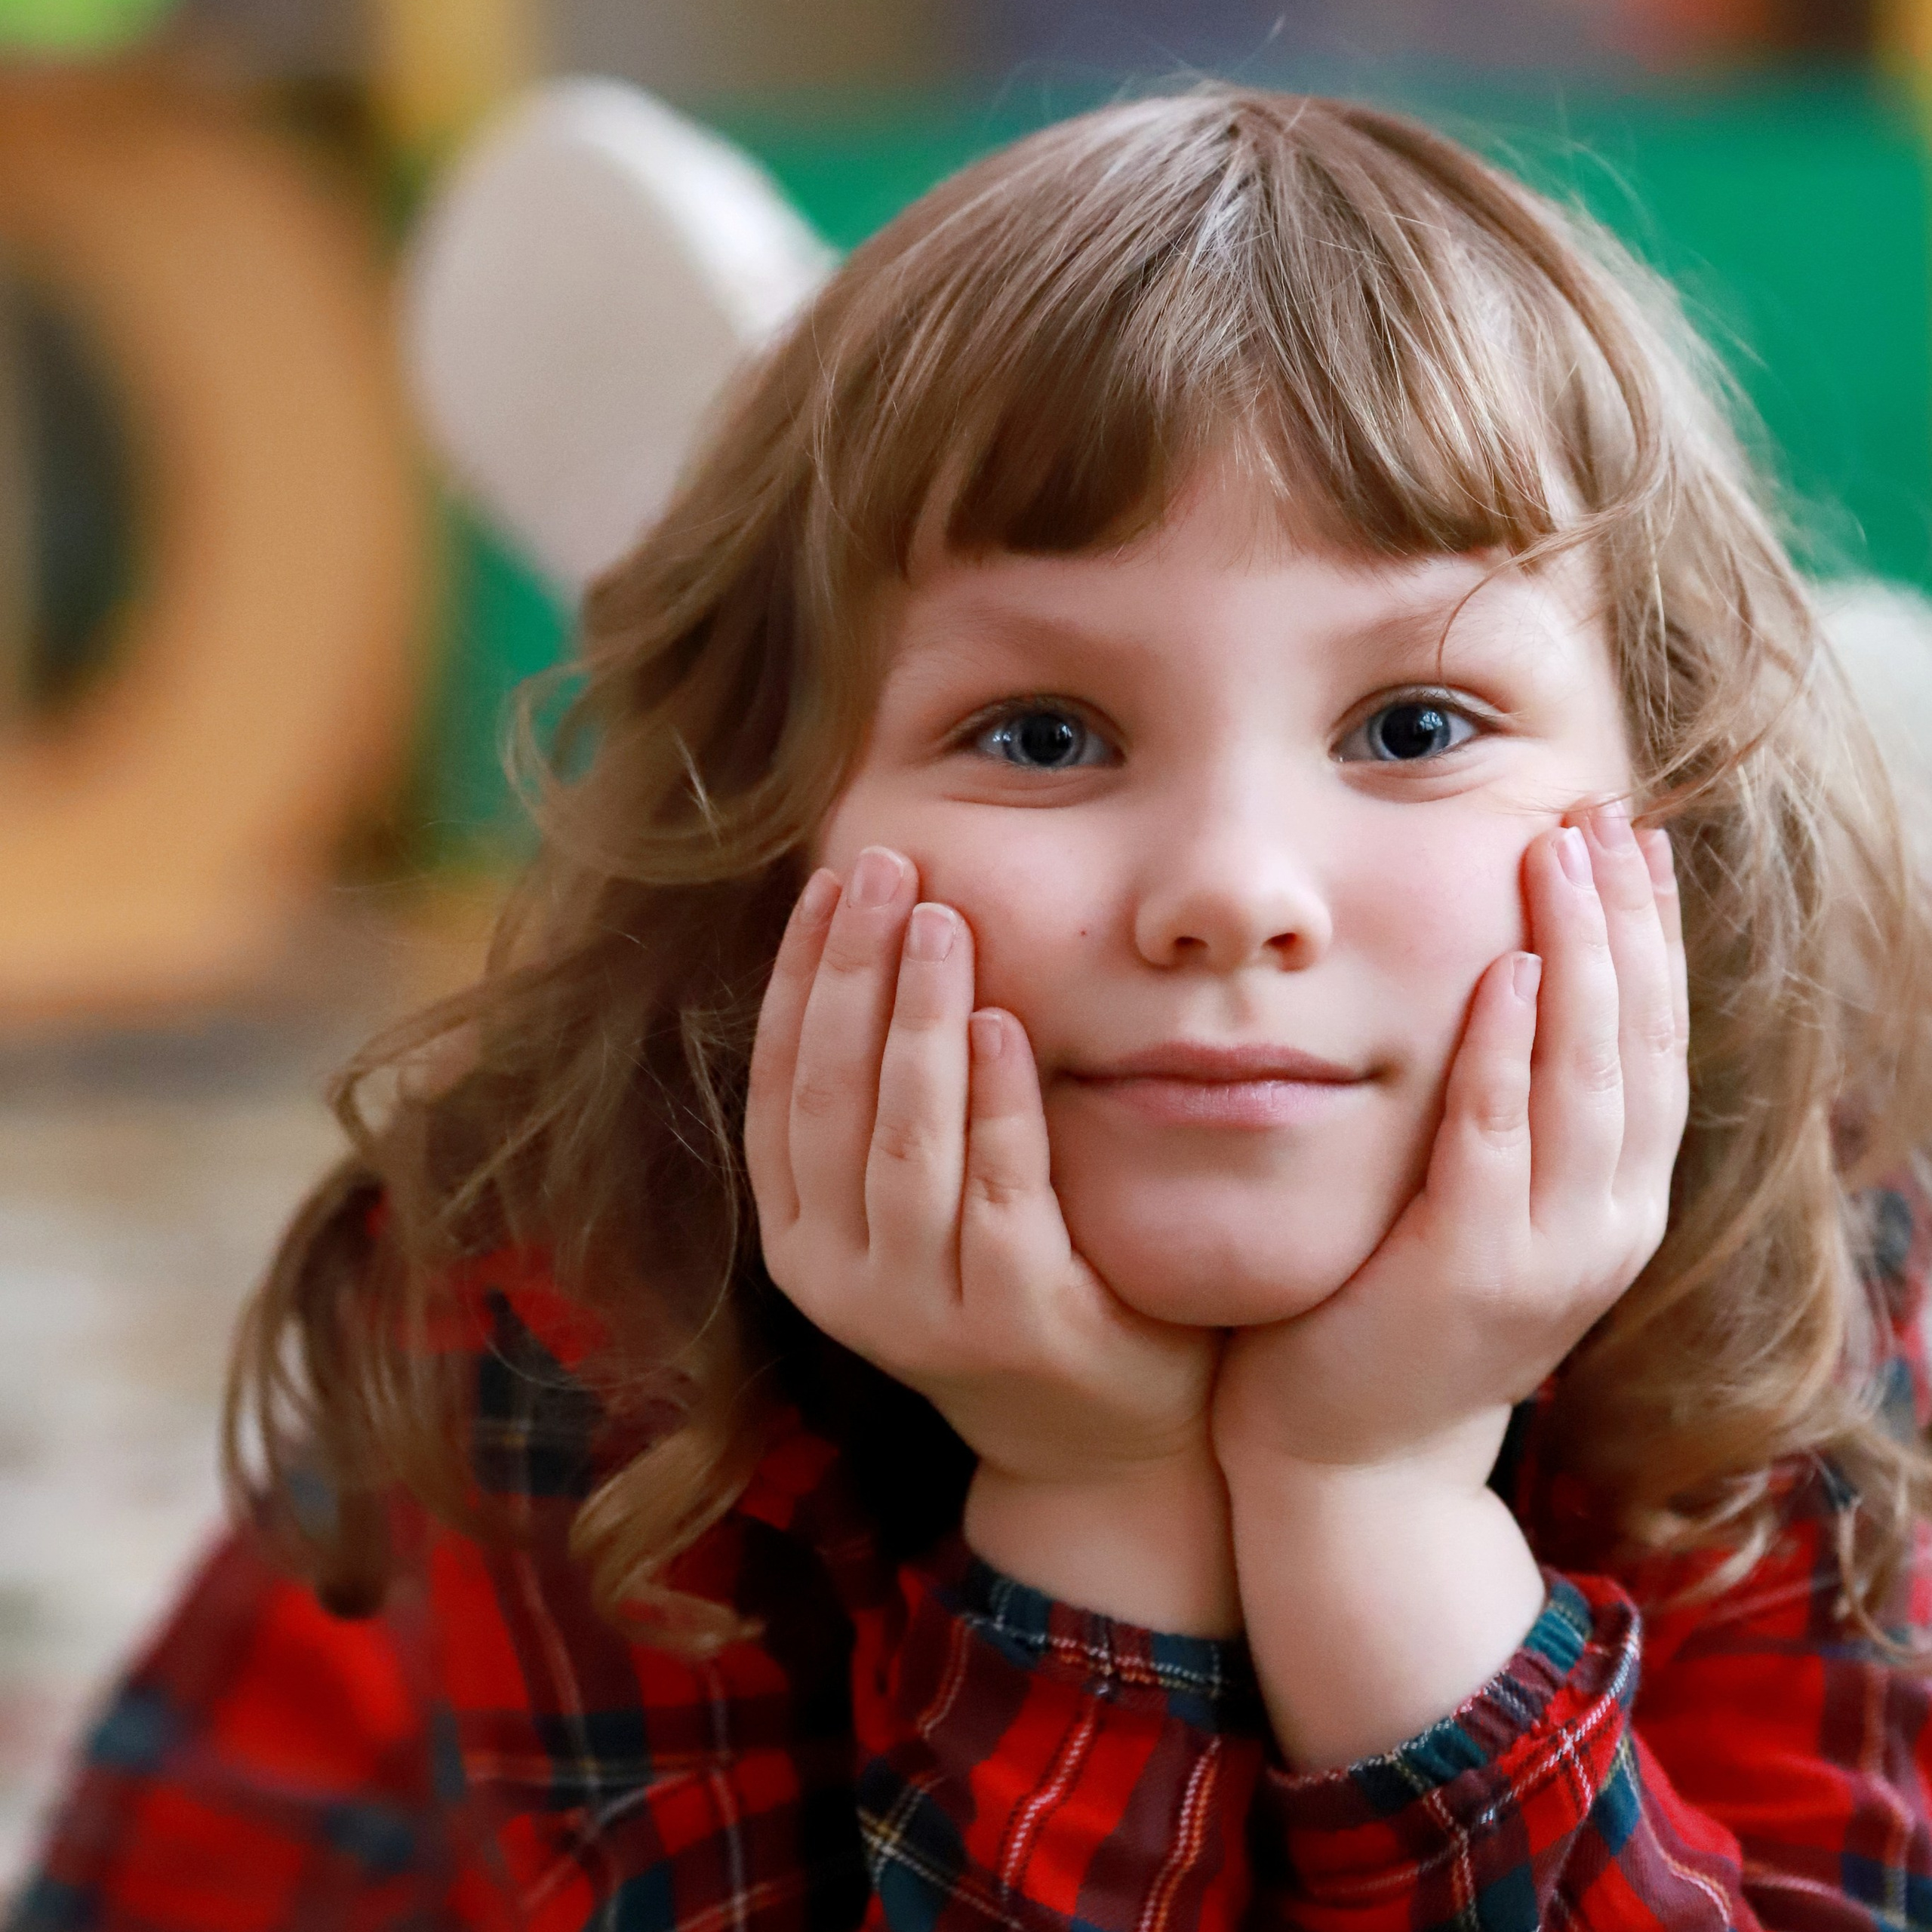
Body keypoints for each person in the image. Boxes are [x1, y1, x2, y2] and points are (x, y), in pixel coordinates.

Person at [14, 87, 1932, 1931]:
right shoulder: (571, 1297)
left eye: (1413, 724)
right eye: (1040, 733)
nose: (1229, 888)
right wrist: (1090, 1513)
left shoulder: (1803, 1267)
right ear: (767, 836)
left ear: (1667, 817)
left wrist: (1378, 1525)